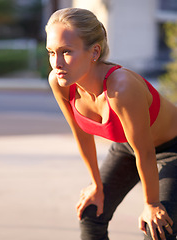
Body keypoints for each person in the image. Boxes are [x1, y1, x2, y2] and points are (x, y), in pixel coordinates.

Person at [45, 7, 177, 240]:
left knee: (157, 228)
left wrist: (151, 203)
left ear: (94, 52)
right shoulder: (60, 82)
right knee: (91, 212)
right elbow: (81, 134)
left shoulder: (121, 87)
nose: (56, 63)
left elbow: (145, 152)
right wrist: (96, 184)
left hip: (172, 148)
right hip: (129, 146)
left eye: (66, 52)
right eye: (51, 52)